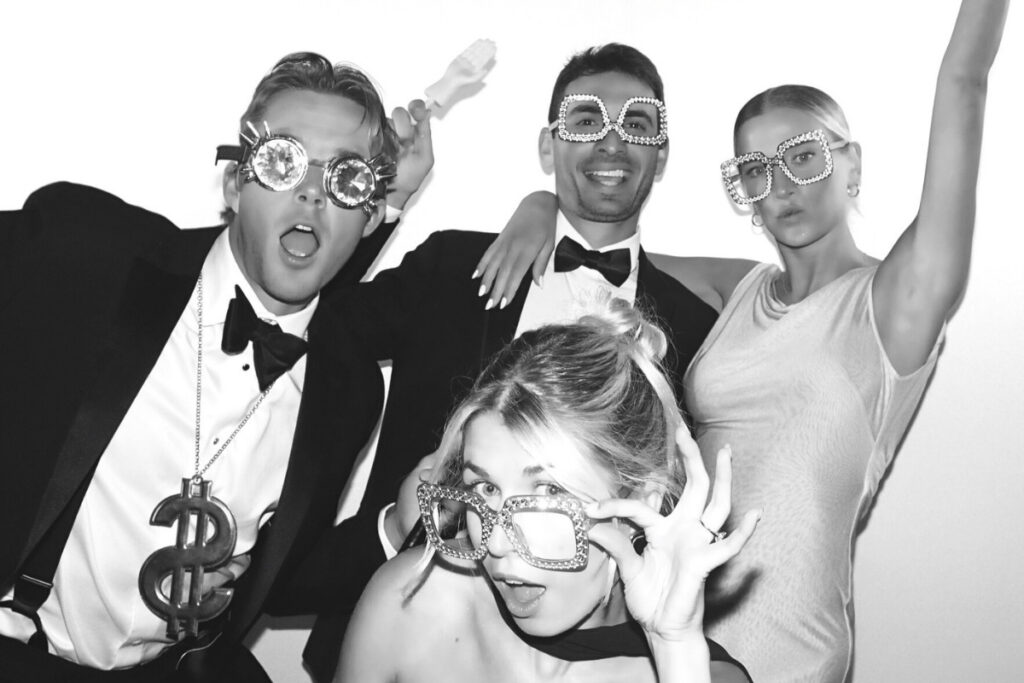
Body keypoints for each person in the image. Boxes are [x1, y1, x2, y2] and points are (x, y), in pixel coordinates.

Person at [474, 1, 1009, 680]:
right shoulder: (738, 290)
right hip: (664, 610)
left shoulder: (898, 302)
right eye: (756, 167)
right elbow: (609, 235)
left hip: (788, 635)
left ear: (852, 166)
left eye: (803, 157)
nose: (779, 185)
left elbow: (964, 82)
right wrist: (540, 203)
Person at [0, 52, 432, 682]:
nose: (311, 191)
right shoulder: (89, 254)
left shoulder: (349, 387)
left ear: (369, 215)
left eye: (346, 180)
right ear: (235, 184)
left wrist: (395, 525)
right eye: (282, 161)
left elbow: (285, 577)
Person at [303, 43, 720, 681]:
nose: (610, 141)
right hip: (413, 623)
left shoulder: (694, 327)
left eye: (635, 124)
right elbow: (315, 319)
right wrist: (386, 204)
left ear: (660, 153)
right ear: (548, 147)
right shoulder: (450, 268)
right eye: (585, 121)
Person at [338, 299, 760, 683]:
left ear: (639, 501)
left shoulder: (699, 674)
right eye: (485, 487)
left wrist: (674, 651)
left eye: (547, 490)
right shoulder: (413, 596)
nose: (496, 542)